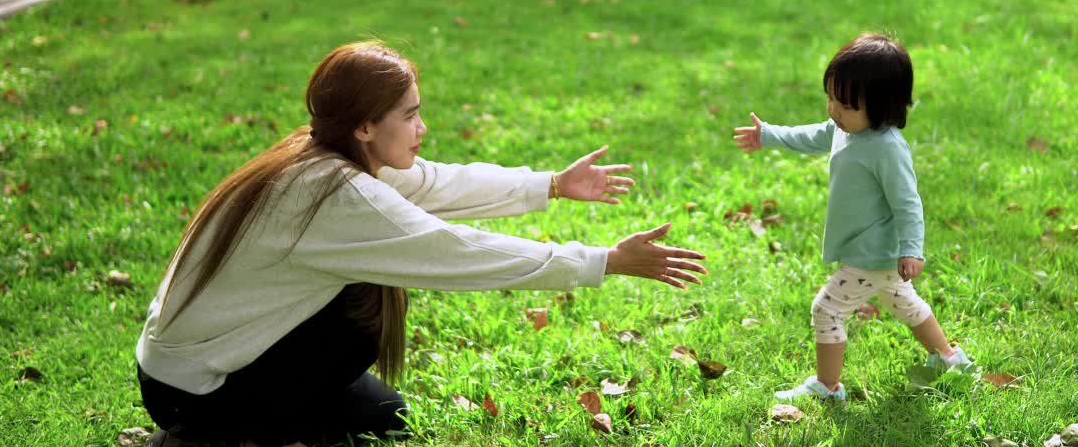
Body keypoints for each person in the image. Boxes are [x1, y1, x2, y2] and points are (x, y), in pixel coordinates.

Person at [136, 41, 708, 446]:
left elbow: (439, 183)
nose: (421, 129)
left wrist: (553, 185)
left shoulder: (320, 153)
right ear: (364, 126)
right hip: (193, 391)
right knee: (366, 313)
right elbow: (459, 252)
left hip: (192, 368)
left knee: (388, 417)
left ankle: (262, 423)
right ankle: (203, 437)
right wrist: (604, 262)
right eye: (409, 116)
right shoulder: (338, 197)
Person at [732, 32, 971, 404]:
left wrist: (912, 249)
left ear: (881, 107)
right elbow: (812, 135)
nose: (833, 110)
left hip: (871, 252)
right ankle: (949, 360)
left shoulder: (887, 149)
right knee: (904, 303)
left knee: (826, 309)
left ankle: (827, 388)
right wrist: (770, 136)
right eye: (830, 97)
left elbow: (908, 203)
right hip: (875, 254)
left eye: (844, 104)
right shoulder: (845, 129)